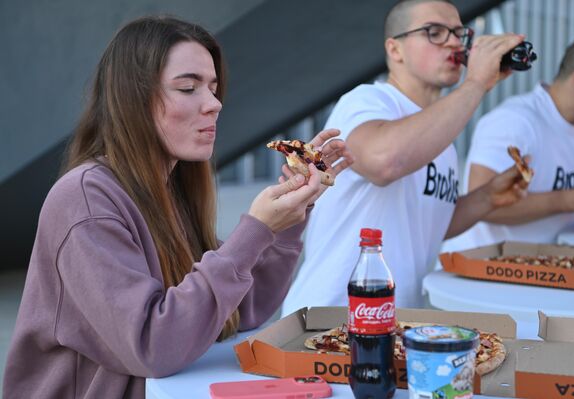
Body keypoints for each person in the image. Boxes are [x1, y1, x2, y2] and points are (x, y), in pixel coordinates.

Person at [2, 16, 353, 399]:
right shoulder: (85, 199)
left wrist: (287, 216)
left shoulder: (173, 191)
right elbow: (153, 346)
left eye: (214, 88)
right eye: (188, 88)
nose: (214, 104)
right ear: (133, 98)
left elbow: (238, 313)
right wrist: (256, 230)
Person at [282, 0, 529, 315]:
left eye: (458, 33)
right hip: (330, 318)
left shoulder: (442, 137)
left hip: (391, 321)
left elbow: (426, 225)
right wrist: (477, 83)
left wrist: (487, 198)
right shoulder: (366, 101)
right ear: (395, 50)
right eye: (435, 32)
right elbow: (384, 161)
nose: (454, 42)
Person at [446, 34, 574, 250]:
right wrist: (569, 200)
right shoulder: (515, 121)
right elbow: (481, 202)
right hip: (481, 271)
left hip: (544, 268)